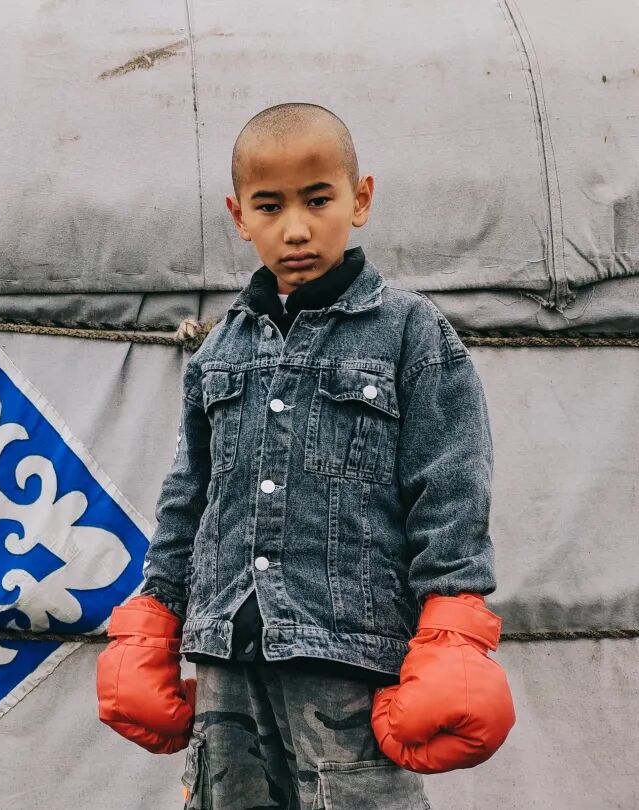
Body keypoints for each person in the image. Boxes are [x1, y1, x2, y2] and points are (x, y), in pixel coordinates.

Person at [96, 103, 515, 809]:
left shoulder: (410, 333)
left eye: (318, 200)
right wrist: (154, 616)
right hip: (228, 648)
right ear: (239, 216)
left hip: (346, 650)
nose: (296, 228)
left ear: (360, 199)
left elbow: (450, 487)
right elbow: (187, 497)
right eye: (270, 206)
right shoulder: (220, 349)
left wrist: (452, 629)